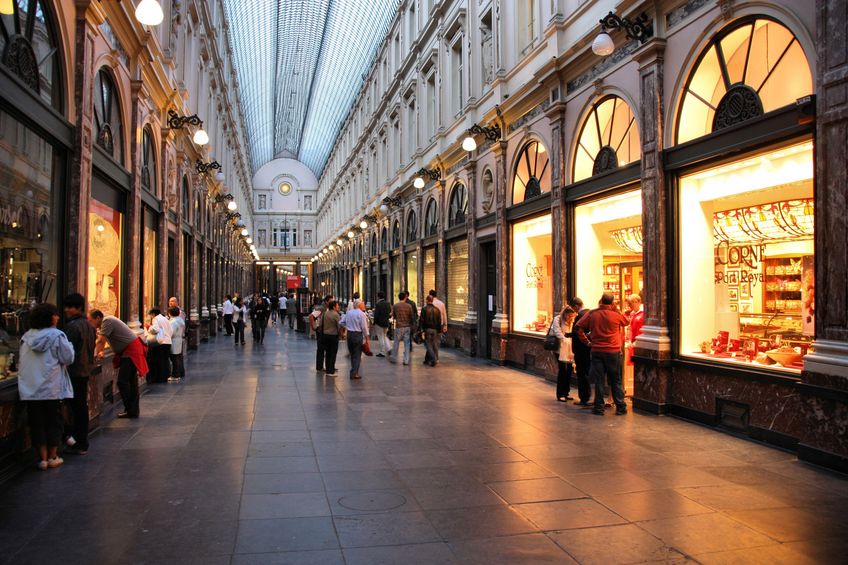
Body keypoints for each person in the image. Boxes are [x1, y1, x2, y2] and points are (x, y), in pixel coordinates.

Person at [20, 303, 75, 470]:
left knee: (37, 423)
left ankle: (42, 459)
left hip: (30, 388)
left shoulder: (26, 337)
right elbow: (68, 357)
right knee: (53, 422)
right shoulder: (57, 336)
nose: (58, 317)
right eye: (55, 315)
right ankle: (53, 456)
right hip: (51, 387)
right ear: (50, 317)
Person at [575, 293, 630, 416]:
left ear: (601, 301)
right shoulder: (615, 314)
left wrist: (587, 342)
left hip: (597, 350)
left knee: (599, 380)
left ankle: (599, 408)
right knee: (615, 380)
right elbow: (626, 321)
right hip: (613, 351)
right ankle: (621, 407)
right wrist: (616, 309)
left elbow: (579, 327)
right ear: (612, 302)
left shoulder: (592, 313)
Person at [89, 310, 148, 419]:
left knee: (123, 381)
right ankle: (132, 410)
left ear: (98, 318)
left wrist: (95, 355)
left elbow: (101, 341)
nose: (91, 323)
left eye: (91, 320)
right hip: (129, 351)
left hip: (131, 351)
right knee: (131, 381)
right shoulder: (107, 321)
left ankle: (130, 409)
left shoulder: (107, 321)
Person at [62, 293, 96, 455]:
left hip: (74, 372)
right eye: (66, 306)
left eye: (70, 307)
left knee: (74, 407)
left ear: (79, 308)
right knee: (80, 406)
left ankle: (77, 441)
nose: (67, 310)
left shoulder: (73, 327)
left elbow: (67, 352)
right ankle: (81, 440)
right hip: (84, 370)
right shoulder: (89, 325)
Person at [569, 298, 592, 406]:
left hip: (581, 349)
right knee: (586, 372)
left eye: (573, 308)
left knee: (582, 373)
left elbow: (578, 332)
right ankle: (588, 396)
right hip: (587, 348)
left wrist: (571, 335)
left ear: (576, 306)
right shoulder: (589, 313)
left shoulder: (581, 315)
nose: (574, 311)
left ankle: (584, 397)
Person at [551, 306, 577, 402]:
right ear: (565, 314)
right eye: (569, 316)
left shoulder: (572, 321)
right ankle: (560, 394)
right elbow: (557, 332)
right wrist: (565, 339)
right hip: (560, 349)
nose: (571, 318)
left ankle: (566, 392)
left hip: (569, 349)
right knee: (563, 370)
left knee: (569, 370)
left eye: (572, 316)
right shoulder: (557, 319)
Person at [342, 301, 369, 379]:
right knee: (357, 355)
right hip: (357, 334)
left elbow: (341, 322)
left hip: (350, 334)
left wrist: (347, 327)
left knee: (352, 353)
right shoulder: (361, 314)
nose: (364, 306)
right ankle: (354, 373)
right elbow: (364, 327)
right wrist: (367, 338)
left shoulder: (349, 313)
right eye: (363, 305)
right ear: (360, 306)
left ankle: (354, 371)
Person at [145, 308, 173, 383]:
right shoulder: (165, 318)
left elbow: (156, 329)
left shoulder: (155, 319)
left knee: (159, 360)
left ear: (153, 314)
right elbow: (171, 330)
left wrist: (149, 328)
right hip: (168, 342)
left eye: (151, 315)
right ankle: (165, 377)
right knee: (165, 360)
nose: (151, 317)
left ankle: (159, 378)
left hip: (160, 343)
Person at [317, 300, 341, 375]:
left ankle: (327, 369)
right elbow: (339, 326)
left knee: (327, 353)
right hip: (333, 336)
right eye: (337, 306)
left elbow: (320, 325)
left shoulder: (324, 314)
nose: (338, 307)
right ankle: (331, 371)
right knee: (333, 353)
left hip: (325, 336)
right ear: (334, 307)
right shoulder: (336, 315)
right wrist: (341, 335)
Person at [390, 292, 414, 365]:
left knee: (396, 343)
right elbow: (411, 316)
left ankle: (394, 358)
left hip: (398, 326)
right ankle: (406, 360)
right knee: (407, 344)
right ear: (405, 297)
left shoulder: (395, 306)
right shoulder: (409, 306)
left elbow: (393, 315)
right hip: (407, 326)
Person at [419, 294, 442, 367]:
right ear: (432, 300)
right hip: (435, 330)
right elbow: (439, 321)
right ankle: (427, 359)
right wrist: (439, 330)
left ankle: (433, 359)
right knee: (432, 344)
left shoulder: (424, 309)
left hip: (427, 329)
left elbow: (421, 320)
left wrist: (421, 329)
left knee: (428, 345)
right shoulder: (437, 310)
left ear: (427, 300)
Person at [168, 306, 186, 383]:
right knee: (178, 357)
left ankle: (175, 375)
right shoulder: (180, 320)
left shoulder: (173, 322)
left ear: (169, 313)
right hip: (179, 339)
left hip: (174, 340)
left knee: (175, 358)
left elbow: (171, 332)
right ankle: (181, 372)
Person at [626, 294, 644, 366]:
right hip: (633, 342)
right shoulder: (632, 314)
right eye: (629, 304)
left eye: (631, 303)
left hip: (640, 342)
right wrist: (629, 340)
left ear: (638, 302)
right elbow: (629, 327)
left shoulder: (644, 313)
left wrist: (638, 341)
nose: (630, 306)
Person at [372, 291, 392, 357]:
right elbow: (389, 312)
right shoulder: (388, 303)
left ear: (378, 297)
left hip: (379, 323)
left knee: (380, 337)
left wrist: (374, 322)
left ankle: (382, 352)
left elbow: (376, 315)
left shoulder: (378, 304)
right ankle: (389, 348)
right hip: (386, 322)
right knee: (384, 336)